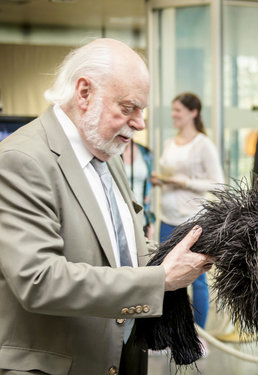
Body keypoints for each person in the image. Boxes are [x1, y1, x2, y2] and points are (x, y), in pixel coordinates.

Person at [0, 38, 214, 374]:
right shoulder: (22, 159)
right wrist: (160, 279)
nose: (140, 123)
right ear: (83, 93)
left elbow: (122, 246)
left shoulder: (105, 151)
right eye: (128, 108)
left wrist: (179, 255)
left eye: (142, 110)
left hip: (120, 355)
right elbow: (39, 280)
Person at [151, 92, 224, 350]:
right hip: (166, 219)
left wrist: (185, 182)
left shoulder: (203, 144)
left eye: (178, 110)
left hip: (191, 223)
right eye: (172, 110)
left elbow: (218, 184)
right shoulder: (170, 142)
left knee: (197, 280)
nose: (173, 115)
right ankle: (168, 334)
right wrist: (160, 180)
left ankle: (198, 337)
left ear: (193, 113)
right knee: (165, 277)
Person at [122, 140, 156, 240]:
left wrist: (150, 221)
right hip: (120, 220)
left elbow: (148, 189)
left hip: (142, 220)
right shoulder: (110, 151)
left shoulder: (145, 152)